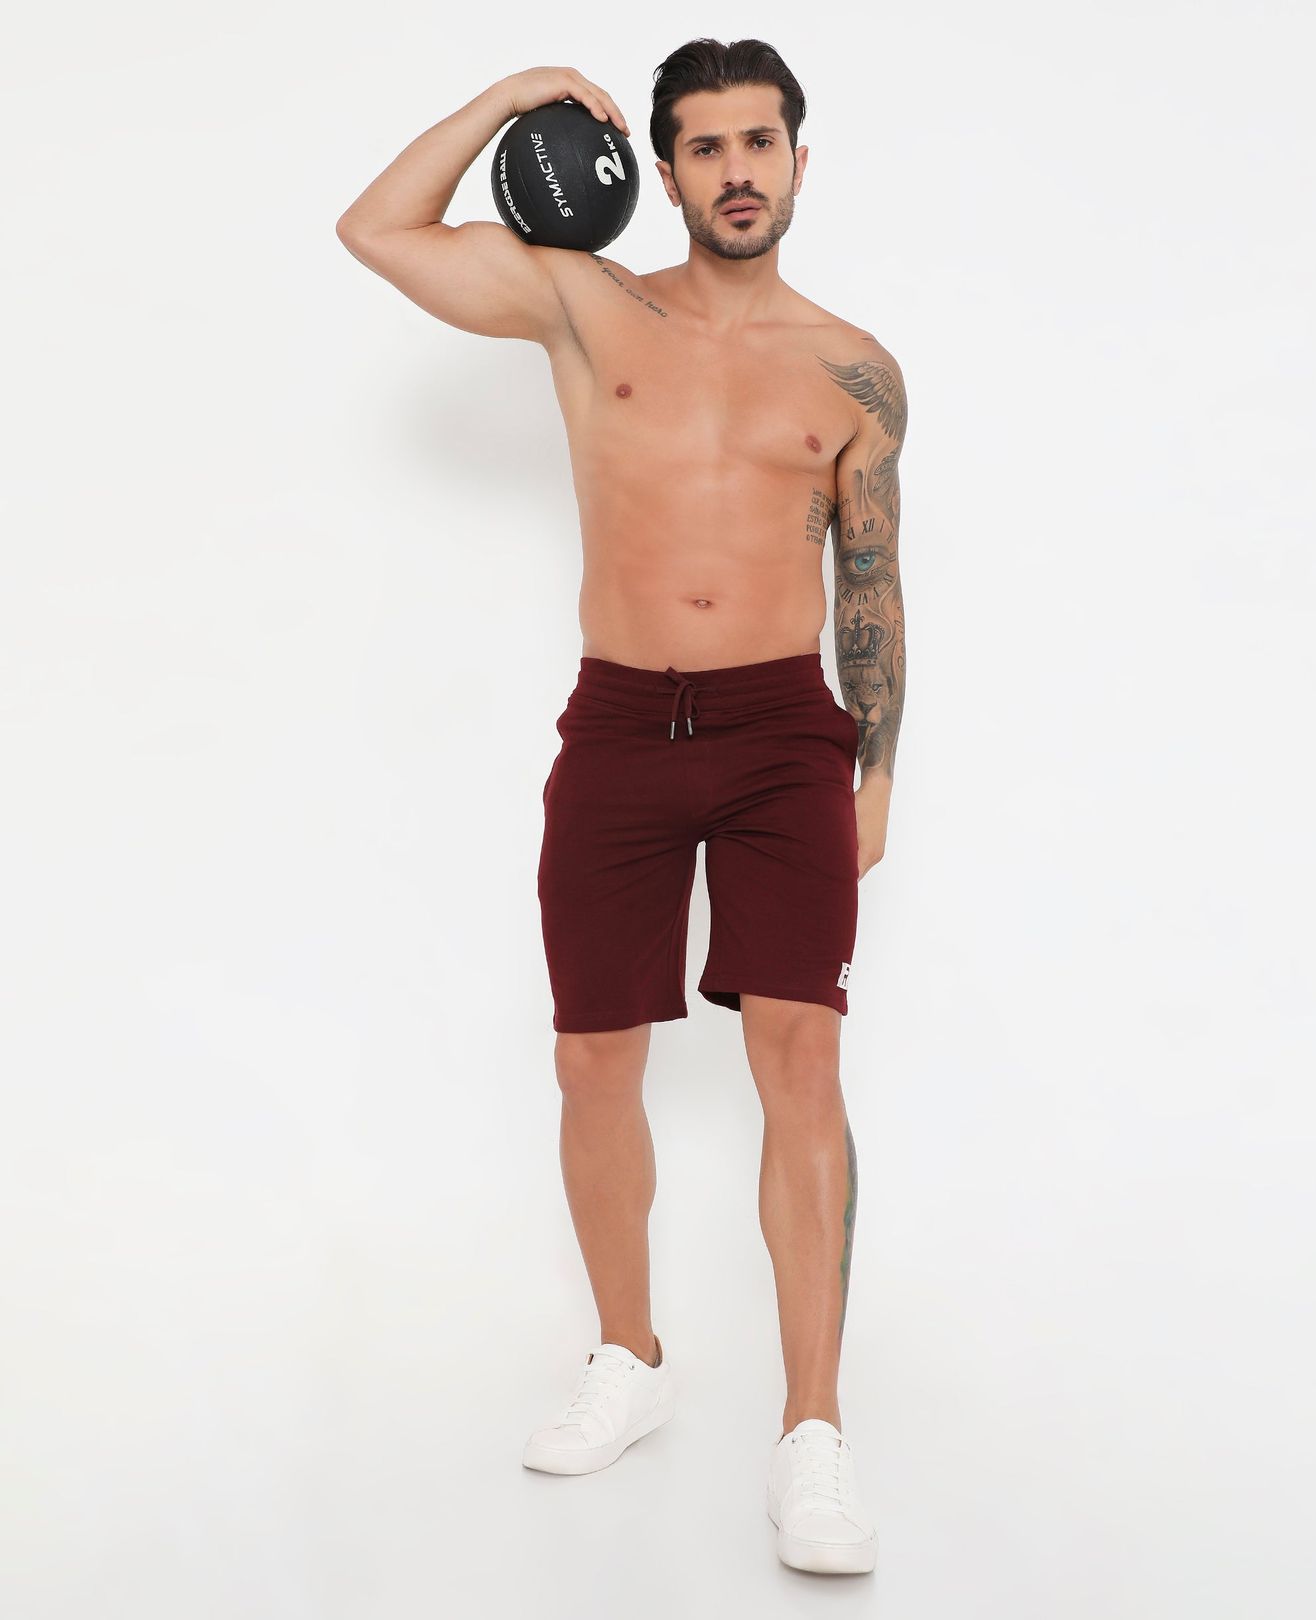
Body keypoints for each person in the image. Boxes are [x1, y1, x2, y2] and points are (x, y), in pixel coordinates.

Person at [336, 38, 906, 1576]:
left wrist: (878, 772)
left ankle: (812, 1432)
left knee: (801, 1055)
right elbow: (377, 231)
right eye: (706, 146)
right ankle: (629, 1358)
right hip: (621, 723)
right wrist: (508, 98)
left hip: (784, 733)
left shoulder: (854, 367)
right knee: (593, 1055)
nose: (738, 170)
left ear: (799, 161)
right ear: (664, 171)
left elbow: (871, 576)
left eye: (760, 142)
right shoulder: (590, 305)